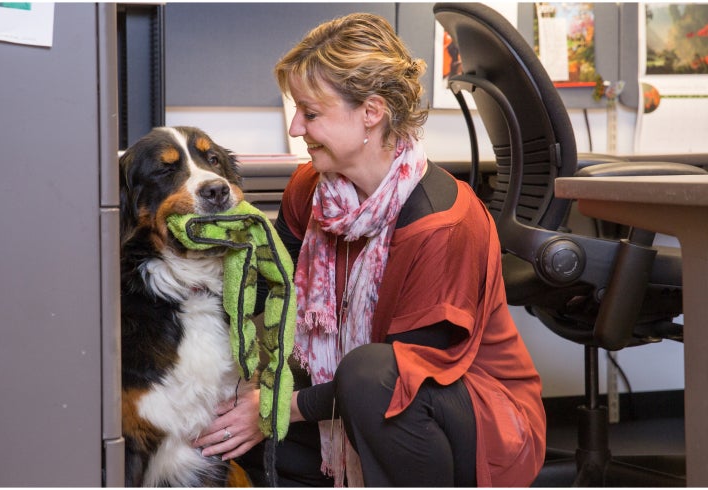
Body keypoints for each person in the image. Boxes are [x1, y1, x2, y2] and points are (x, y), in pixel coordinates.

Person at [192, 12, 546, 487]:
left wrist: (276, 406)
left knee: (368, 373)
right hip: (360, 395)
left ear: (371, 112)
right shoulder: (310, 190)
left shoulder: (443, 223)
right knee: (223, 428)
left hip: (473, 413)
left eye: (311, 113)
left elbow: (399, 379)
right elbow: (268, 293)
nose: (296, 127)